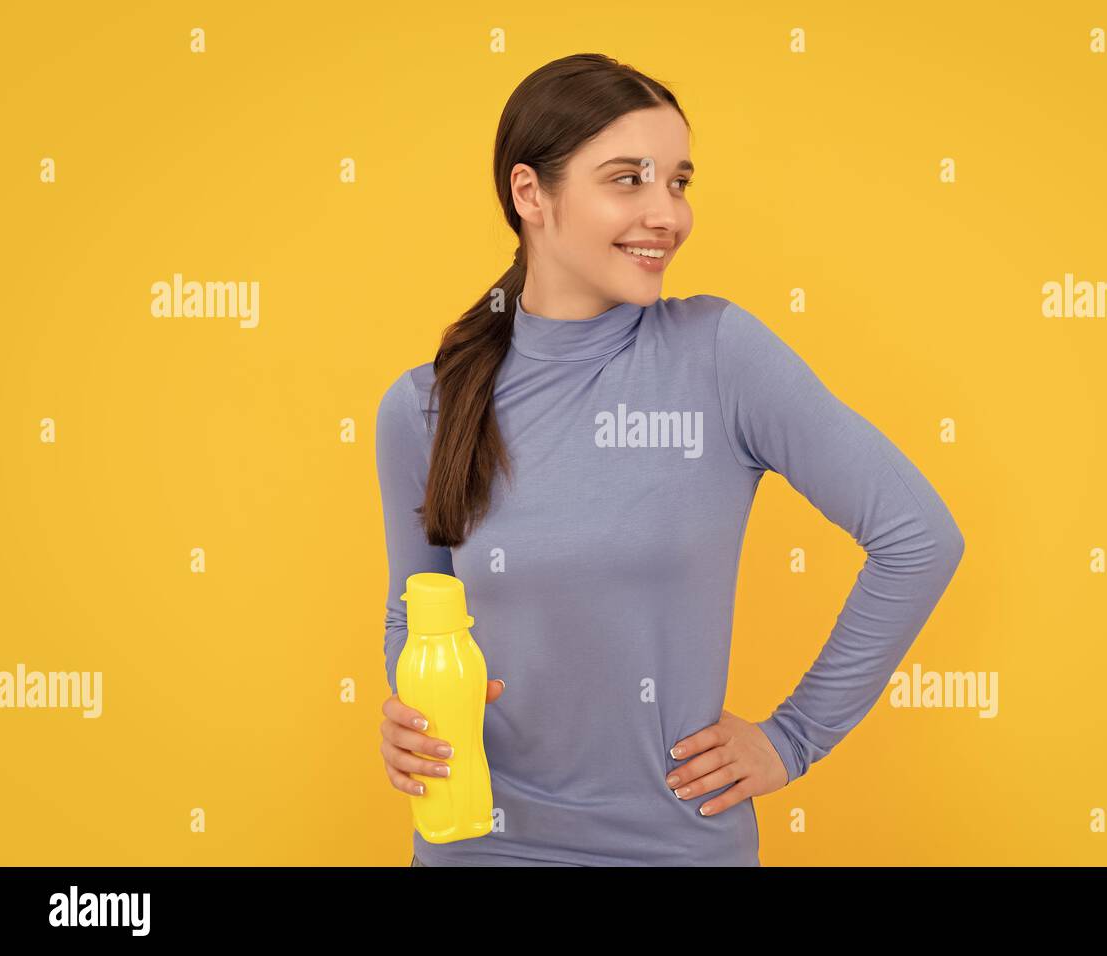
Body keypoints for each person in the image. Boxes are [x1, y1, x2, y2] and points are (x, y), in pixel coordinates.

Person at [377, 53, 964, 867]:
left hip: (675, 849)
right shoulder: (424, 406)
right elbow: (416, 608)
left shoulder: (720, 356)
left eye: (679, 183)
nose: (669, 215)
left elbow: (919, 537)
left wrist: (793, 738)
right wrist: (408, 718)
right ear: (529, 194)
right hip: (473, 846)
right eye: (629, 180)